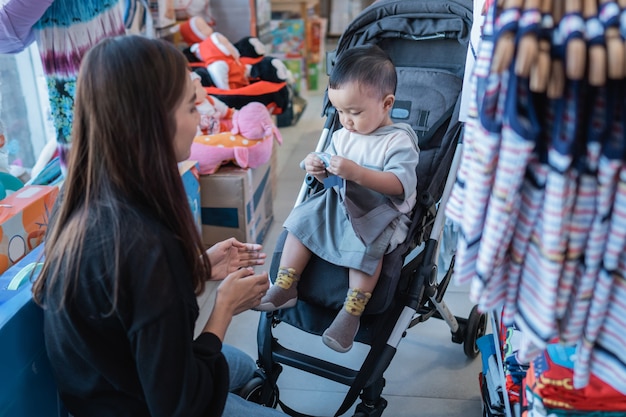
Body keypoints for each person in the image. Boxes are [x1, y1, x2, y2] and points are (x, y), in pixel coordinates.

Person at [31, 35, 285, 417]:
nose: (200, 114)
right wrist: (224, 310)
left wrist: (195, 268)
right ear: (151, 123)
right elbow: (181, 405)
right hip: (141, 403)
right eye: (188, 106)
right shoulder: (145, 244)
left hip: (100, 386)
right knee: (237, 371)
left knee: (246, 368)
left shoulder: (82, 201)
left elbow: (124, 303)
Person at [257, 44, 420, 353]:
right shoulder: (344, 135)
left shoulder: (399, 140)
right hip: (341, 202)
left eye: (354, 112)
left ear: (387, 104)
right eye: (340, 111)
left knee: (367, 246)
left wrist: (357, 173)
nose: (345, 120)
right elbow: (332, 179)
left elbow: (400, 184)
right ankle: (286, 283)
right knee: (302, 221)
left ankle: (351, 311)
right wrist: (319, 168)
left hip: (378, 211)